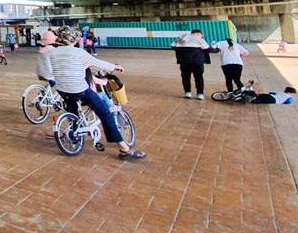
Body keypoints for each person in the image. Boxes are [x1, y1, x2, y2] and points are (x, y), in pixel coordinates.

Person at [40, 27, 145, 160]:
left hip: (62, 90)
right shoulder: (78, 52)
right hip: (80, 89)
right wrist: (115, 67)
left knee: (73, 113)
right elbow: (97, 63)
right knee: (105, 114)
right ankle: (125, 149)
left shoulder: (53, 53)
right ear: (72, 39)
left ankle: (75, 138)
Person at [171, 29, 209, 100]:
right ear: (198, 34)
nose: (201, 36)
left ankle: (187, 92)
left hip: (184, 62)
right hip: (197, 62)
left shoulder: (180, 38)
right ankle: (200, 94)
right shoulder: (199, 39)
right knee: (199, 78)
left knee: (185, 77)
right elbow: (207, 48)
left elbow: (173, 46)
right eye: (201, 35)